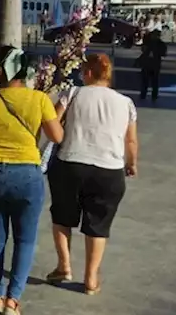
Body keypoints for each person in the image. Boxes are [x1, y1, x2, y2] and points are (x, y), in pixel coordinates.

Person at [0, 46, 64, 315]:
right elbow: (56, 136)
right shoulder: (40, 99)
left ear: (2, 70)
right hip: (27, 175)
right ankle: (13, 299)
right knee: (25, 240)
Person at [46, 54, 138, 296]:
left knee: (62, 216)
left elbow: (52, 121)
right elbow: (131, 139)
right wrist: (132, 163)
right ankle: (91, 278)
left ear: (87, 73)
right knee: (98, 224)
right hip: (109, 168)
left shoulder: (73, 93)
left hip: (70, 163)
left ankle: (64, 266)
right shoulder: (126, 103)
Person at [137, 30, 166, 104]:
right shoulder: (160, 44)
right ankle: (153, 95)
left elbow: (143, 50)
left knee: (147, 81)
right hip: (154, 65)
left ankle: (145, 95)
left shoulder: (150, 42)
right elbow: (164, 53)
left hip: (150, 64)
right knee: (153, 81)